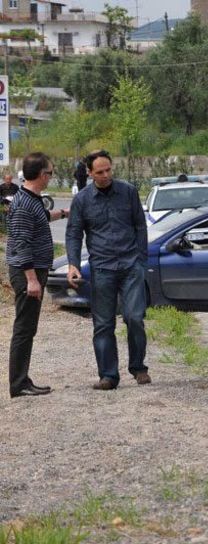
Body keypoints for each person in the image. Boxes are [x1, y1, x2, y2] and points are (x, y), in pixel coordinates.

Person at [66, 150, 150, 390]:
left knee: (134, 317)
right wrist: (73, 263)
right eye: (100, 172)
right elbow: (73, 233)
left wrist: (141, 261)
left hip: (130, 264)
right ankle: (108, 375)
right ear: (90, 173)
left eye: (109, 170)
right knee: (103, 324)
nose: (106, 175)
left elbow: (140, 227)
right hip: (102, 267)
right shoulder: (82, 200)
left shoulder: (128, 192)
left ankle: (138, 367)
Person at [6, 152, 71, 398]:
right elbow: (21, 244)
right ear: (42, 175)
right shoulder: (24, 204)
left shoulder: (30, 199)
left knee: (28, 327)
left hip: (34, 271)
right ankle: (19, 383)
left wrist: (64, 214)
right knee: (24, 328)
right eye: (51, 173)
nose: (51, 177)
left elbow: (42, 218)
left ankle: (22, 379)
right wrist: (32, 279)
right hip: (27, 274)